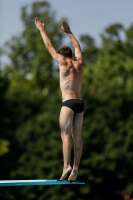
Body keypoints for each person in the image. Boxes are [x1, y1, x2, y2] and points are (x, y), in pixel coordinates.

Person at [35, 17, 84, 181]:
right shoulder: (79, 63)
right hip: (80, 103)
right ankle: (76, 167)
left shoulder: (63, 62)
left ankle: (66, 166)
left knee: (65, 136)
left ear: (62, 56)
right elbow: (77, 47)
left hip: (68, 103)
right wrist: (69, 32)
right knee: (77, 136)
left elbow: (49, 46)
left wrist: (41, 29)